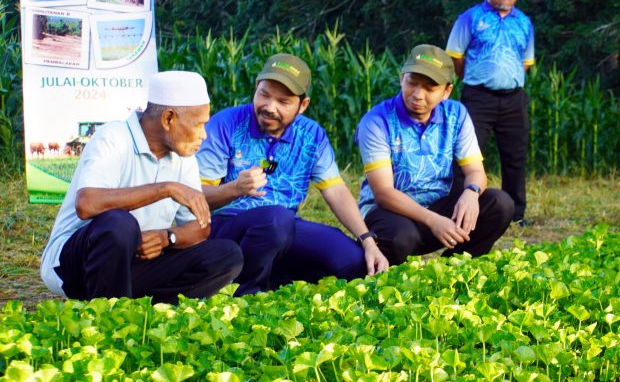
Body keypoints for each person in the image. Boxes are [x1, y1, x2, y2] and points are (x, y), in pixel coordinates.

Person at [40, 71, 244, 302]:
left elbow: (201, 227)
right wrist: (166, 188)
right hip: (78, 266)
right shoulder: (113, 137)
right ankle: (110, 318)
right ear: (168, 118)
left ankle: (145, 312)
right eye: (198, 124)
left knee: (227, 255)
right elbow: (87, 204)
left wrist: (167, 237)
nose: (204, 135)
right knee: (119, 224)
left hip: (135, 263)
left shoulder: (184, 157)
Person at [196, 54, 388, 295]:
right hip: (228, 226)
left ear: (302, 105)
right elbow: (197, 197)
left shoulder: (311, 135)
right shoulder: (226, 124)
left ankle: (276, 278)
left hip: (284, 228)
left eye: (283, 101)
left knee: (352, 260)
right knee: (276, 221)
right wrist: (234, 189)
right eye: (264, 94)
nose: (270, 107)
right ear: (256, 87)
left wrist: (368, 241)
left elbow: (336, 191)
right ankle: (244, 293)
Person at [354, 44, 514, 266]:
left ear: (446, 91)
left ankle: (450, 271)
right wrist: (433, 220)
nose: (418, 95)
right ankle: (388, 278)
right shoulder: (376, 121)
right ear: (402, 78)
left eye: (430, 88)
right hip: (388, 213)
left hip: (438, 205)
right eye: (412, 83)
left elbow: (476, 171)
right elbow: (383, 193)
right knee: (402, 238)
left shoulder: (457, 114)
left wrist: (471, 192)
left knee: (499, 203)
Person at [446, 0, 535, 225]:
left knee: (515, 156)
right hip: (478, 97)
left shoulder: (524, 22)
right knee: (464, 155)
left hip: (513, 98)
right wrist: (475, 78)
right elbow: (455, 57)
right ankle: (457, 209)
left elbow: (527, 61)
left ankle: (515, 214)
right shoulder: (470, 18)